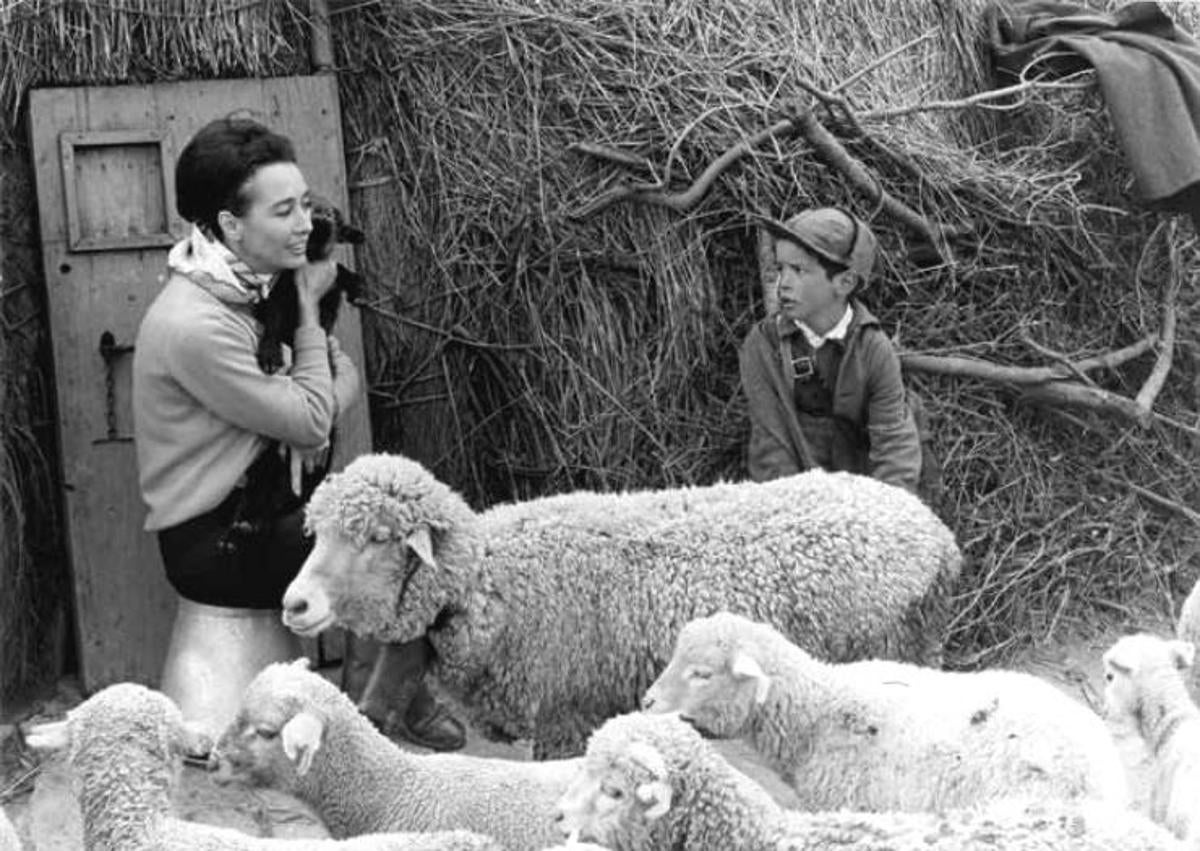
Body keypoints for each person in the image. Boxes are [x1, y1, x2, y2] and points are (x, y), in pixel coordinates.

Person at [131, 116, 465, 752]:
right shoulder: (197, 324)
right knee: (380, 552)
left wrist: (309, 397)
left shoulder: (251, 288)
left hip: (270, 511)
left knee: (398, 524)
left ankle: (383, 702)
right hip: (217, 541)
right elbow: (314, 415)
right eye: (284, 211)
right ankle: (379, 718)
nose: (305, 225)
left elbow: (339, 381)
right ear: (231, 225)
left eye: (304, 205)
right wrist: (309, 315)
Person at [738, 207, 923, 493]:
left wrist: (883, 517)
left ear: (844, 282)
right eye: (780, 269)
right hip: (798, 494)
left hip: (866, 494)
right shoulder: (763, 346)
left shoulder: (874, 350)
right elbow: (771, 449)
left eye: (798, 270)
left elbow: (894, 447)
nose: (783, 284)